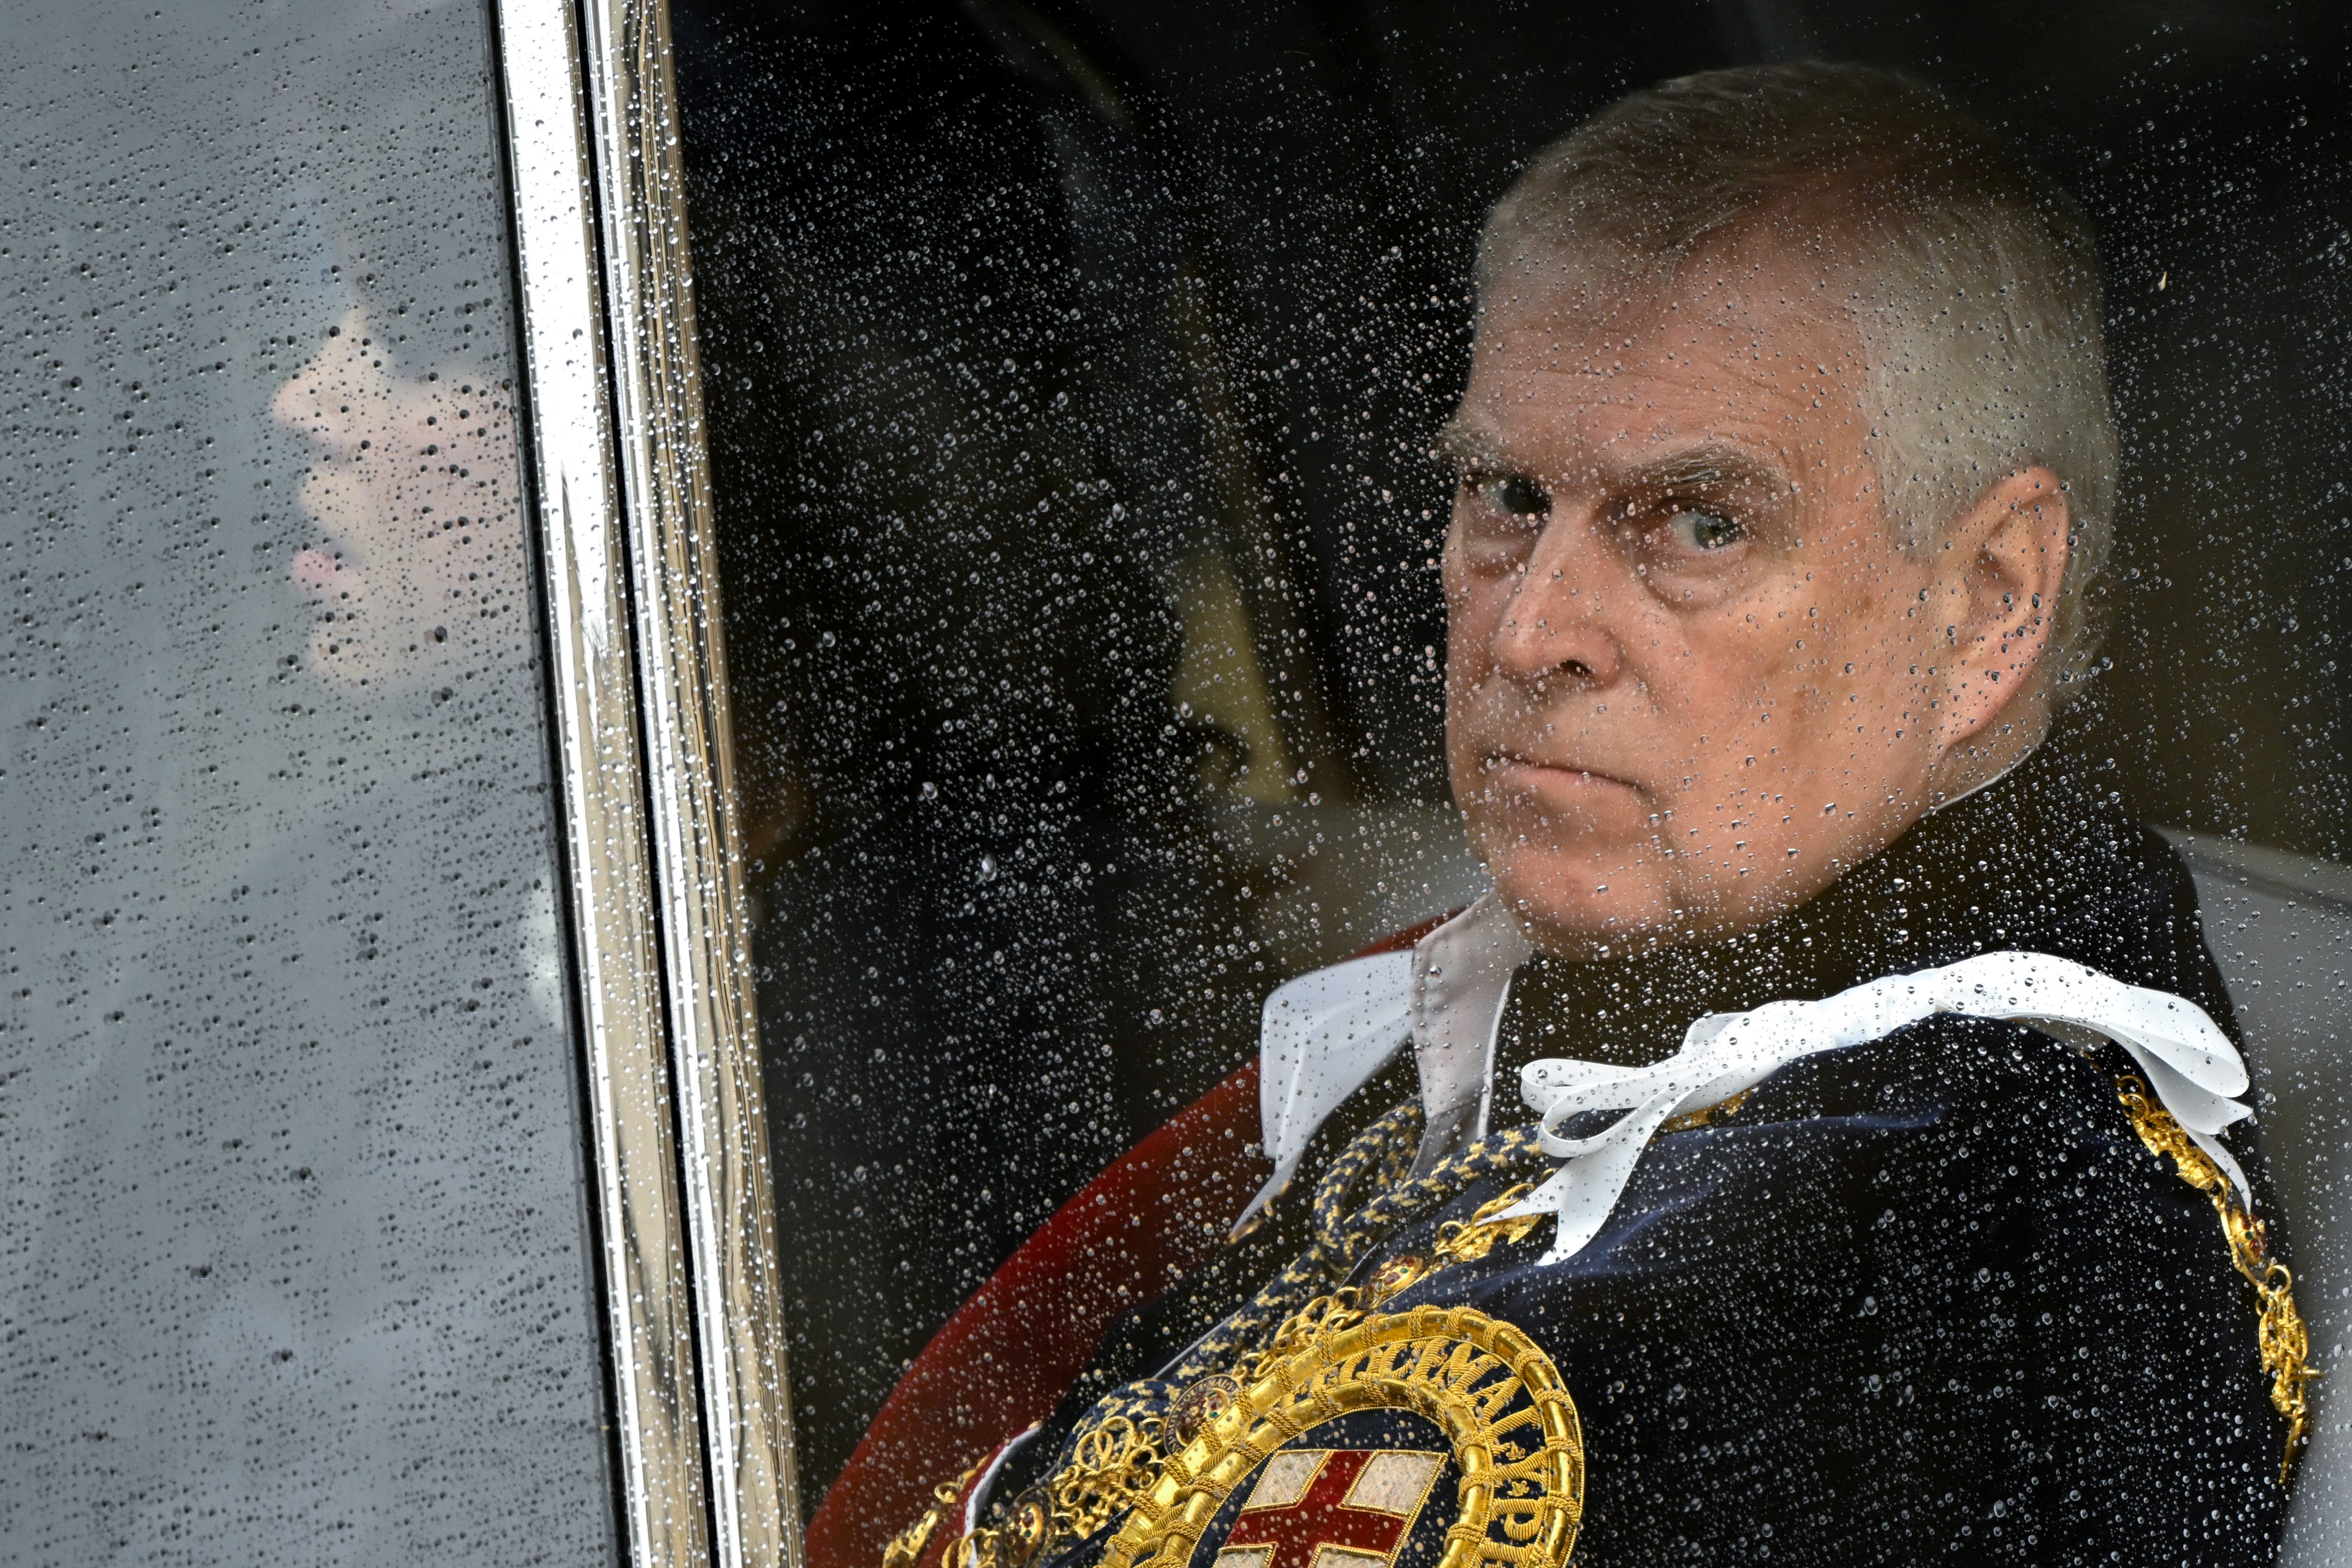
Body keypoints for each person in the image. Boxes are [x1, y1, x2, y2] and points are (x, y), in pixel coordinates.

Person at [811, 62, 2310, 1568]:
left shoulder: (1988, 1256)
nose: (1529, 635)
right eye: (1508, 499)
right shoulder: (1538, 1036)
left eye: (1698, 524)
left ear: (1989, 599)